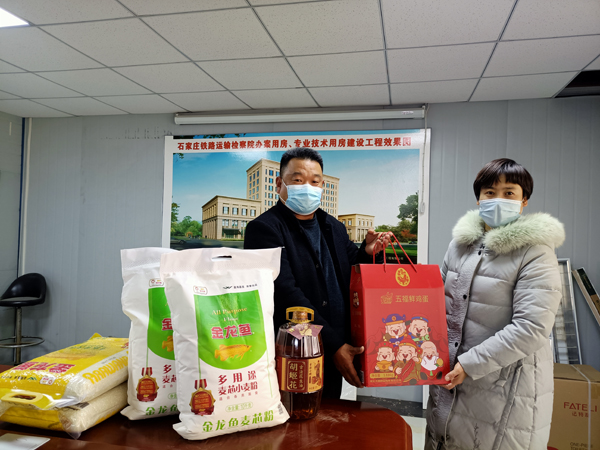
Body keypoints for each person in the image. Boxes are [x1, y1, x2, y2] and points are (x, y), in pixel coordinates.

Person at [425, 158, 565, 449]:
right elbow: (437, 303)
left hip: (503, 388)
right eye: (490, 192)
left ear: (524, 201)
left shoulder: (535, 252)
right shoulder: (459, 246)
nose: (498, 199)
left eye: (509, 192)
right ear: (479, 199)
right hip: (449, 378)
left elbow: (531, 327)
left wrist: (468, 364)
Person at [244, 147, 391, 398]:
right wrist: (333, 344)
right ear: (279, 184)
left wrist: (368, 253)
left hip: (338, 346)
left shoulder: (333, 226)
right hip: (294, 350)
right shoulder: (264, 229)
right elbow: (285, 293)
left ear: (322, 185)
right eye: (297, 180)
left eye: (315, 181)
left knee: (331, 415)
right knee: (295, 415)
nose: (307, 187)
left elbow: (352, 272)